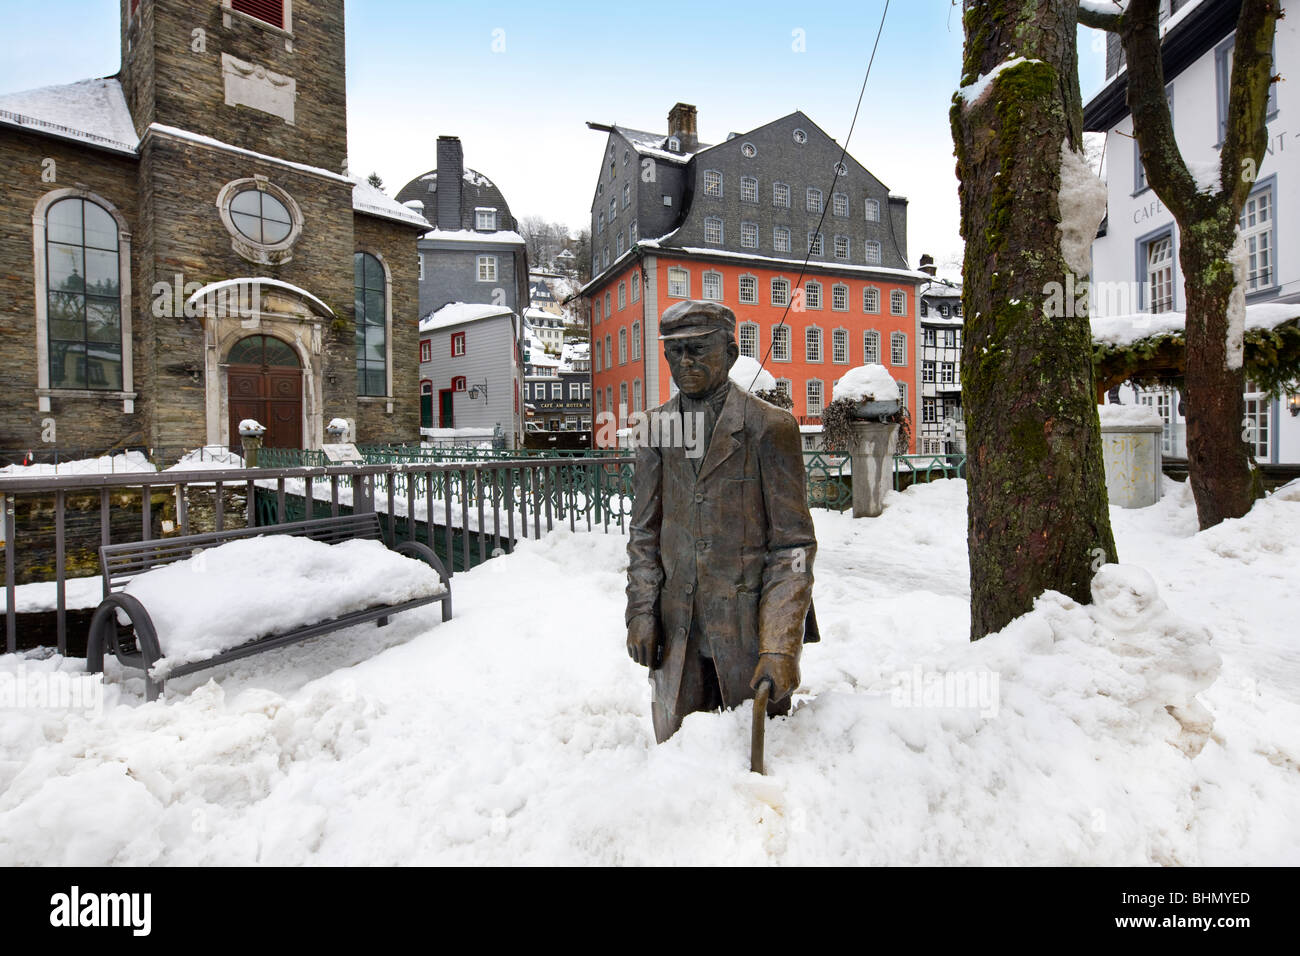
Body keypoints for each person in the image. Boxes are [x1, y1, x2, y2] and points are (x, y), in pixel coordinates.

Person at [625, 300, 818, 744]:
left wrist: (779, 645)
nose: (685, 362)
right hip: (676, 634)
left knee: (752, 763)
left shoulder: (770, 428)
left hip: (747, 631)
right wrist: (640, 612)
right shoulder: (654, 429)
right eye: (675, 353)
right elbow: (644, 534)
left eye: (698, 350)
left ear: (730, 355)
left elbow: (792, 548)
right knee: (679, 762)